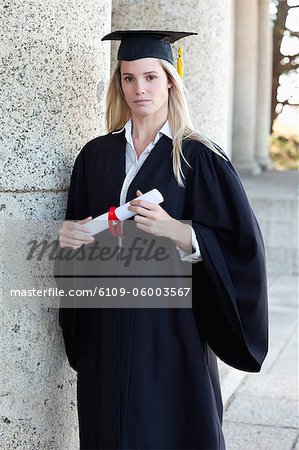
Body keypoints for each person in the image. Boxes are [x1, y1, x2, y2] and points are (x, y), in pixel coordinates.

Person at [55, 30, 268, 450]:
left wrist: (178, 230)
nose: (140, 89)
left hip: (170, 328)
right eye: (129, 78)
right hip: (106, 327)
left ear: (170, 81)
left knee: (168, 428)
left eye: (151, 77)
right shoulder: (94, 156)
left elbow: (242, 247)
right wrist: (70, 237)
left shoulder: (197, 157)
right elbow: (76, 247)